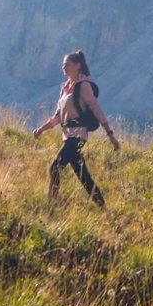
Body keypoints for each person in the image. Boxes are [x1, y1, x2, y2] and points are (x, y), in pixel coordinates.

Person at [32, 49, 120, 207]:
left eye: (67, 64)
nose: (63, 67)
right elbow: (58, 117)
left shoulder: (84, 86)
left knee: (54, 167)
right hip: (68, 135)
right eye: (63, 64)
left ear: (77, 66)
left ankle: (50, 205)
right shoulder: (65, 88)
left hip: (77, 136)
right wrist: (41, 129)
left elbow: (96, 109)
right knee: (82, 175)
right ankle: (104, 207)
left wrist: (110, 134)